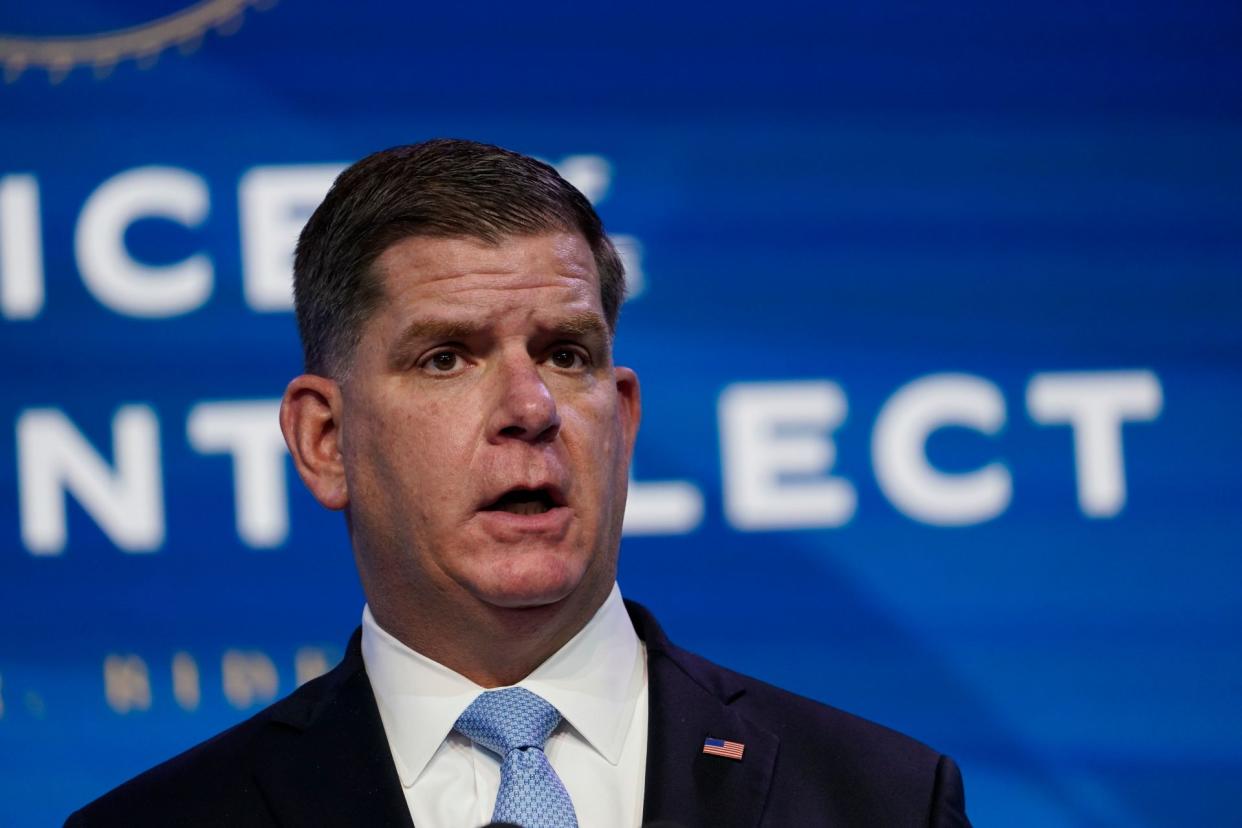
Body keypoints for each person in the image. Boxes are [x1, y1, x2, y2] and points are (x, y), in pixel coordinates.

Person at [66, 139, 971, 827]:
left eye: (566, 354)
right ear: (325, 440)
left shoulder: (880, 798)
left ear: (622, 418)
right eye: (447, 358)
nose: (530, 407)